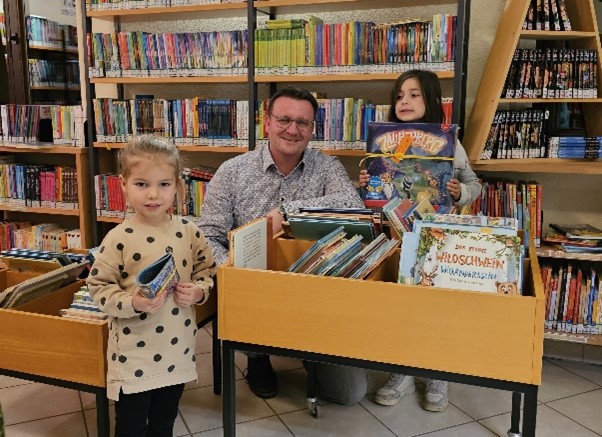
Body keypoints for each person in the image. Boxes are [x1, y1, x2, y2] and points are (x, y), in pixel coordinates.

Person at [198, 86, 367, 404]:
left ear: (312, 129)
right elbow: (208, 235)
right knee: (249, 311)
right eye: (284, 120)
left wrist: (288, 212)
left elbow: (352, 203)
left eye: (302, 122)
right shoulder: (232, 172)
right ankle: (257, 356)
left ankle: (307, 349)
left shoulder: (327, 167)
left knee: (347, 394)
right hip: (254, 291)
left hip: (313, 293)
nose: (292, 129)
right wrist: (231, 273)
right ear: (267, 123)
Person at [360, 70, 482, 412]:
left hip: (435, 238)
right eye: (399, 95)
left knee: (435, 309)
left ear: (431, 99)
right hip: (394, 238)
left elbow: (475, 184)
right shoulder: (385, 141)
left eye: (414, 95)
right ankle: (401, 372)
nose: (404, 101)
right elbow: (377, 187)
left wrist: (459, 192)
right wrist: (366, 182)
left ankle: (436, 373)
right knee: (400, 309)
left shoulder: (449, 141)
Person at [87, 136, 216, 437]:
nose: (153, 194)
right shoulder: (118, 238)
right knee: (130, 427)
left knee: (164, 422)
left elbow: (207, 270)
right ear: (123, 185)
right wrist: (132, 302)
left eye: (164, 184)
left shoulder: (189, 231)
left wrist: (199, 291)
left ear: (177, 186)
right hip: (133, 355)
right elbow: (98, 287)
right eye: (142, 184)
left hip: (176, 351)